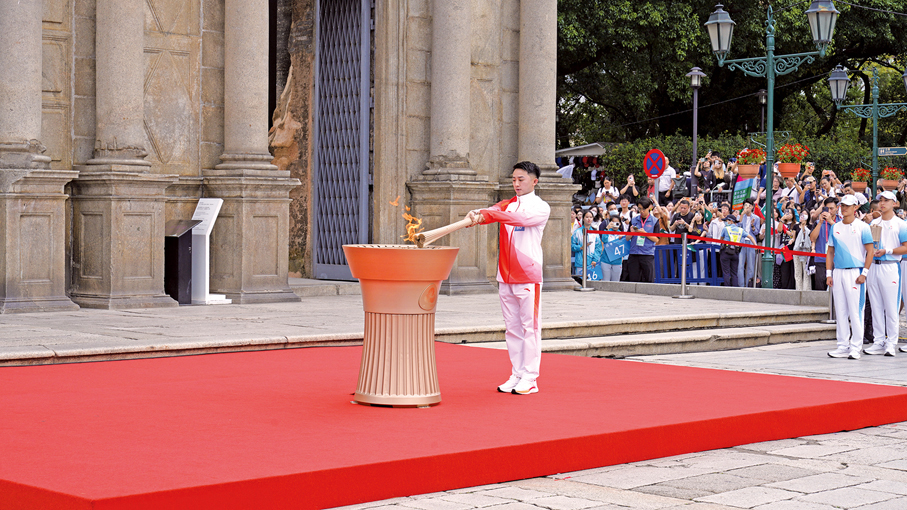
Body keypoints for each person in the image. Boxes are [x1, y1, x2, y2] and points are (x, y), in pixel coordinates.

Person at [467, 161, 550, 395]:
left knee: (529, 328)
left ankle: (531, 378)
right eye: (514, 179)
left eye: (521, 179)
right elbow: (490, 214)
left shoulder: (541, 207)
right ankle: (517, 373)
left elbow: (520, 219)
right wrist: (475, 215)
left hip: (528, 275)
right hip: (505, 275)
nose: (516, 184)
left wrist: (489, 213)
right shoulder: (507, 205)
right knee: (512, 329)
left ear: (534, 181)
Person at [826, 194, 874, 360]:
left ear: (856, 207)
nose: (844, 208)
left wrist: (864, 273)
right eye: (842, 205)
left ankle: (855, 347)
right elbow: (830, 251)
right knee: (840, 311)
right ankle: (842, 346)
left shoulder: (863, 227)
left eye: (847, 205)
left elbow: (870, 251)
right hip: (838, 272)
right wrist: (829, 273)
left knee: (856, 311)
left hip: (855, 272)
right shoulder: (835, 227)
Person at [865, 191, 907, 356]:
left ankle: (891, 342)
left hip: (890, 266)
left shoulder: (900, 224)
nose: (882, 203)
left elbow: (905, 247)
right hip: (874, 266)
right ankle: (878, 340)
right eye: (880, 200)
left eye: (886, 201)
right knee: (876, 306)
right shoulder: (874, 223)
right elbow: (869, 245)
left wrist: (887, 250)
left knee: (891, 307)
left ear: (894, 203)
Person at [627, 196, 659, 282]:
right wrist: (632, 233)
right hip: (634, 253)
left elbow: (656, 239)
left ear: (650, 207)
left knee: (649, 279)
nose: (641, 211)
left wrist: (645, 234)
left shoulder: (655, 221)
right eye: (640, 209)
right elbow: (627, 238)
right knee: (633, 279)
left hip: (647, 254)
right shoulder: (634, 220)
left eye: (644, 209)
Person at [810, 197, 839, 291]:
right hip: (821, 259)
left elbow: (842, 236)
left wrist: (831, 221)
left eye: (832, 208)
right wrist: (820, 222)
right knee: (820, 286)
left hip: (837, 260)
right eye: (827, 209)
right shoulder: (818, 222)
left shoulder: (841, 222)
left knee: (836, 288)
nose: (829, 211)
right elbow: (812, 238)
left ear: (837, 208)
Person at [719, 215, 754, 287]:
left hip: (726, 251)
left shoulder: (726, 229)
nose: (726, 222)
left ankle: (727, 289)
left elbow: (721, 239)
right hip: (735, 252)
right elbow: (750, 236)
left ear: (731, 221)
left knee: (726, 272)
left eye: (727, 221)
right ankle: (735, 289)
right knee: (734, 273)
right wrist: (755, 245)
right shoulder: (740, 230)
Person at [571, 209, 603, 281]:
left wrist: (595, 260)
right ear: (583, 218)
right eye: (587, 217)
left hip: (592, 262)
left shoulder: (595, 233)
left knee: (592, 282)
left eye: (591, 217)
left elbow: (598, 248)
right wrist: (580, 247)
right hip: (580, 262)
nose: (589, 219)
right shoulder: (577, 232)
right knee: (580, 281)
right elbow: (572, 245)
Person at [738, 199, 762, 287]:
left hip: (751, 242)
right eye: (745, 206)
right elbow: (738, 227)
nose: (746, 208)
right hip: (742, 242)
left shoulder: (756, 218)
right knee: (740, 264)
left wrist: (752, 226)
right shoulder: (741, 216)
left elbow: (756, 232)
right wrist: (742, 214)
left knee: (751, 265)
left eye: (748, 206)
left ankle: (749, 284)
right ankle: (741, 285)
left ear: (752, 207)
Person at [599, 211, 625, 281]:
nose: (615, 225)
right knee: (605, 281)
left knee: (616, 282)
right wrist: (607, 229)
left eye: (617, 223)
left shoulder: (622, 234)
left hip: (617, 260)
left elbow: (625, 247)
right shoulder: (607, 231)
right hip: (606, 260)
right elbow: (604, 239)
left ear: (620, 224)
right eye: (613, 222)